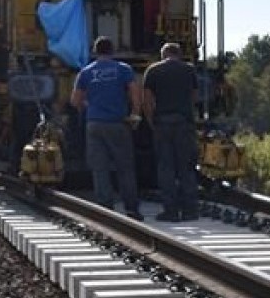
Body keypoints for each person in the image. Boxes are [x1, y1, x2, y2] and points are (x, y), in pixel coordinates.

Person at [71, 37, 144, 220]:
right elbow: (135, 93)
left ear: (95, 52)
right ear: (112, 51)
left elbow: (75, 100)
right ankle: (131, 208)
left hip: (94, 124)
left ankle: (105, 209)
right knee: (125, 167)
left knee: (100, 168)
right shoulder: (123, 69)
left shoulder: (86, 72)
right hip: (118, 123)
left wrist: (89, 106)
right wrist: (135, 113)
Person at [143, 42, 199, 221]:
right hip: (184, 123)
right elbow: (193, 97)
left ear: (163, 54)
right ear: (179, 54)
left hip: (162, 123)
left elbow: (148, 100)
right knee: (186, 167)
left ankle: (171, 211)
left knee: (166, 168)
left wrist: (152, 121)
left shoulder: (153, 70)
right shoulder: (189, 70)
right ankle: (190, 210)